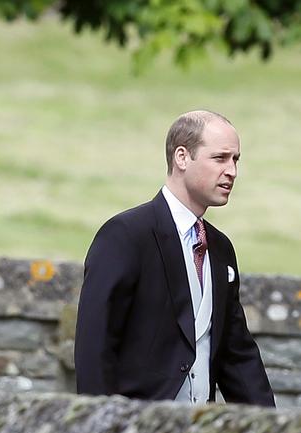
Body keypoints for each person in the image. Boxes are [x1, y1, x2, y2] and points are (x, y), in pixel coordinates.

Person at [74, 110, 275, 407]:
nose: (232, 171)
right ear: (182, 157)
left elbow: (237, 354)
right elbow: (95, 345)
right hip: (132, 432)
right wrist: (100, 431)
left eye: (236, 160)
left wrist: (270, 431)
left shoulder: (220, 248)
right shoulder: (126, 235)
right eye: (220, 158)